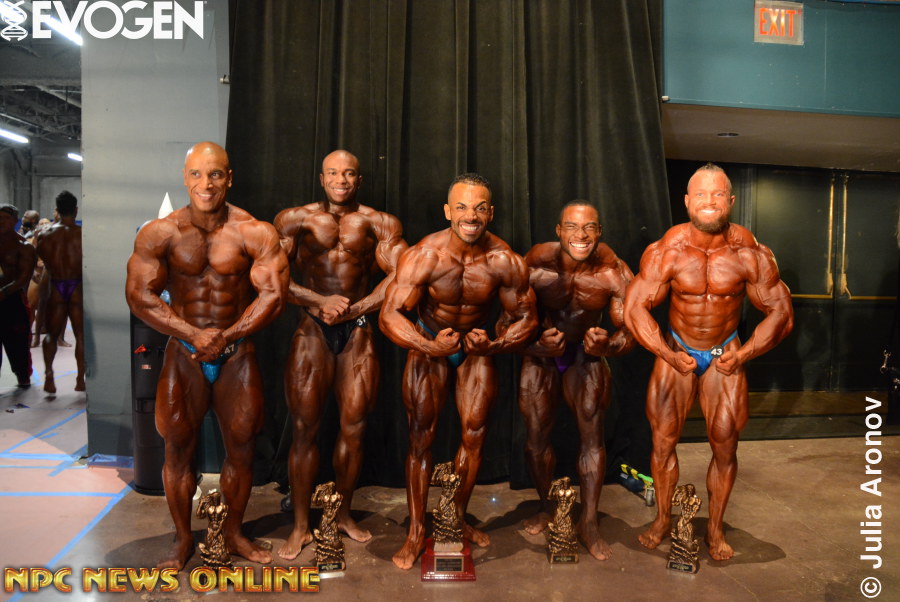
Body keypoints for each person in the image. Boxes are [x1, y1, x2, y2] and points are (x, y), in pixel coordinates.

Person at [125, 141, 289, 570]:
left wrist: (226, 335)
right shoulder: (160, 233)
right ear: (185, 178)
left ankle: (233, 533)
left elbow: (274, 296)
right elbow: (139, 295)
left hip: (237, 353)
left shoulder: (254, 231)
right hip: (184, 353)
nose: (206, 183)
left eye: (215, 174)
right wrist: (193, 334)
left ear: (229, 178)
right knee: (176, 450)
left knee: (242, 448)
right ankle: (182, 540)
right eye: (197, 174)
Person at [624, 162, 794, 560]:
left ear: (731, 201)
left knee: (725, 445)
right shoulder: (666, 250)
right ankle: (663, 520)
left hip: (724, 352)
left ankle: (715, 529)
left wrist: (743, 354)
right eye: (701, 194)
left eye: (718, 194)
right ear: (687, 201)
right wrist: (667, 353)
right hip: (677, 350)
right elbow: (634, 308)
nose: (709, 201)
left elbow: (782, 313)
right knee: (662, 441)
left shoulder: (750, 252)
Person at [379, 173, 538, 569]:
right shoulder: (425, 255)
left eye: (480, 208)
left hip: (476, 349)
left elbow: (528, 318)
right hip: (429, 344)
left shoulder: (505, 260)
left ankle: (455, 516)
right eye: (463, 207)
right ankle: (416, 531)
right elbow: (389, 315)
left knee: (474, 434)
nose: (471, 216)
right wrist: (428, 345)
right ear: (448, 211)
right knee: (420, 437)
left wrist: (496, 345)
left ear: (491, 213)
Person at [272, 150, 408, 560]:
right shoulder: (294, 220)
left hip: (358, 329)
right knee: (304, 428)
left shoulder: (380, 223)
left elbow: (402, 274)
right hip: (312, 329)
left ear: (359, 180)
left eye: (348, 173)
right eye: (333, 173)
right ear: (322, 178)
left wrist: (358, 307)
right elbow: (271, 275)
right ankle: (300, 525)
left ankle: (343, 514)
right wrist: (319, 301)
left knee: (354, 427)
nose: (341, 180)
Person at [509, 201, 635, 560]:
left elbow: (632, 331)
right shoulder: (535, 263)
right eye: (572, 227)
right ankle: (547, 507)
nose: (581, 235)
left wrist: (608, 345)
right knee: (536, 438)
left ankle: (589, 522)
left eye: (589, 227)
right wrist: (536, 344)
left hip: (585, 354)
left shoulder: (613, 271)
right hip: (541, 354)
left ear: (600, 231)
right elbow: (506, 325)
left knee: (592, 438)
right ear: (558, 230)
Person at [35, 191, 84, 392]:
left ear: (57, 210)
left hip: (56, 285)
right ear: (75, 210)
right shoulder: (82, 235)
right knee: (81, 335)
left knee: (51, 334)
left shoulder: (44, 236)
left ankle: (49, 376)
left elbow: (40, 263)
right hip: (76, 285)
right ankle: (80, 380)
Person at [0, 203, 37, 388]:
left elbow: (23, 278)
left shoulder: (24, 247)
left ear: (15, 221)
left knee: (18, 345)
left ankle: (23, 376)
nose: (1, 222)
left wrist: (4, 292)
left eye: (6, 218)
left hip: (13, 301)